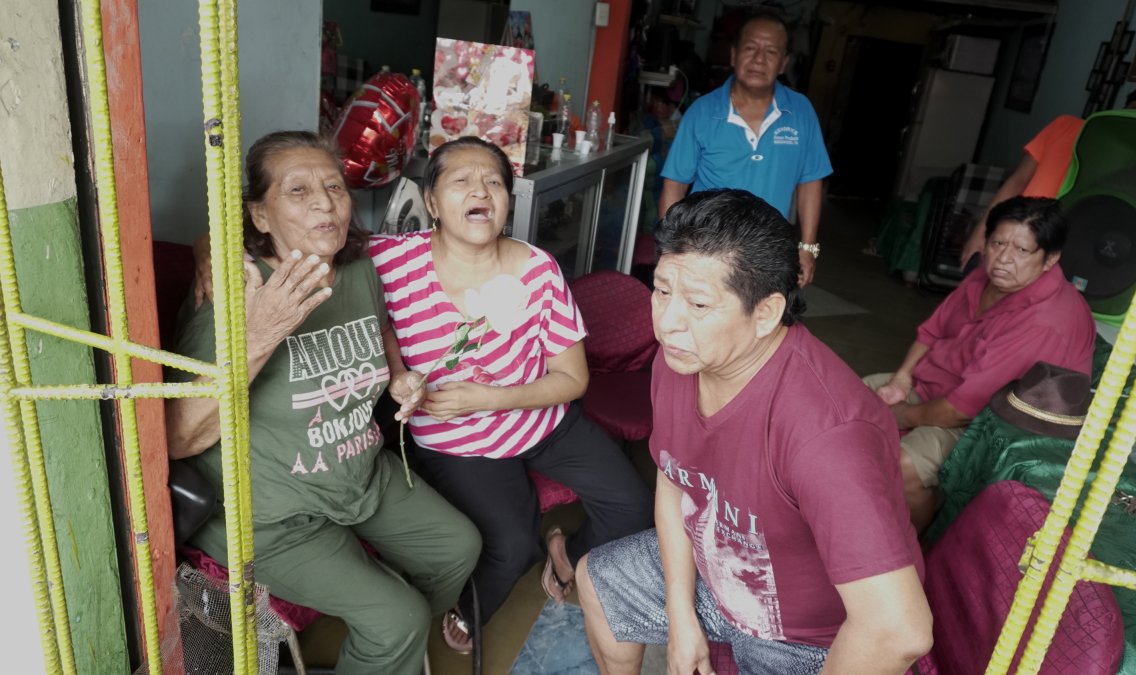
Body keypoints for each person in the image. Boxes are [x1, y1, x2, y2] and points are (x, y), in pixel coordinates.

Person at [577, 189, 931, 674]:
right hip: (716, 575)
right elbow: (674, 477)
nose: (667, 323)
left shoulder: (828, 435)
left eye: (698, 304)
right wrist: (680, 617)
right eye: (662, 290)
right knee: (598, 580)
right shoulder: (679, 359)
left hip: (805, 639)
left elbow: (897, 630)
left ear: (765, 312)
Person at [167, 130, 481, 675]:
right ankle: (389, 629)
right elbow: (178, 436)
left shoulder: (359, 268)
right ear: (260, 216)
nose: (323, 202)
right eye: (297, 191)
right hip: (268, 511)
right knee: (397, 617)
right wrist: (260, 332)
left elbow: (377, 328)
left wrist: (398, 377)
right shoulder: (232, 291)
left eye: (334, 186)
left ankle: (382, 639)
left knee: (457, 546)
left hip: (357, 471)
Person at [368, 136, 655, 652]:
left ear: (507, 201)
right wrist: (396, 369)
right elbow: (301, 246)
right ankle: (469, 608)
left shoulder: (538, 270)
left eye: (494, 181)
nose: (481, 189)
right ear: (431, 202)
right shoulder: (389, 261)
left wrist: (487, 397)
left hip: (542, 421)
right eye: (461, 180)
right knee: (513, 547)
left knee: (635, 507)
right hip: (458, 442)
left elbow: (573, 379)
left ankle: (567, 556)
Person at [869, 196, 1095, 530]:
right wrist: (902, 379)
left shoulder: (1044, 320)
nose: (1003, 259)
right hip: (937, 386)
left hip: (990, 424)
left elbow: (962, 409)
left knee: (904, 464)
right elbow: (932, 331)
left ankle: (913, 544)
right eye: (997, 243)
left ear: (1050, 259)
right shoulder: (984, 278)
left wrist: (901, 414)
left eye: (1021, 250)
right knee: (844, 399)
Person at [658, 10, 832, 287]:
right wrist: (671, 248)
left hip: (770, 251)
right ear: (733, 55)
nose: (759, 59)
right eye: (750, 48)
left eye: (771, 51)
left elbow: (810, 180)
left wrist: (808, 248)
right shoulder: (703, 112)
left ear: (783, 63)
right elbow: (675, 184)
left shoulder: (801, 112)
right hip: (706, 249)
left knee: (762, 323)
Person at [960, 80, 1136, 270]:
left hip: (1065, 259)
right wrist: (980, 233)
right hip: (1010, 240)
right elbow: (1017, 181)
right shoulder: (1065, 127)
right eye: (1135, 112)